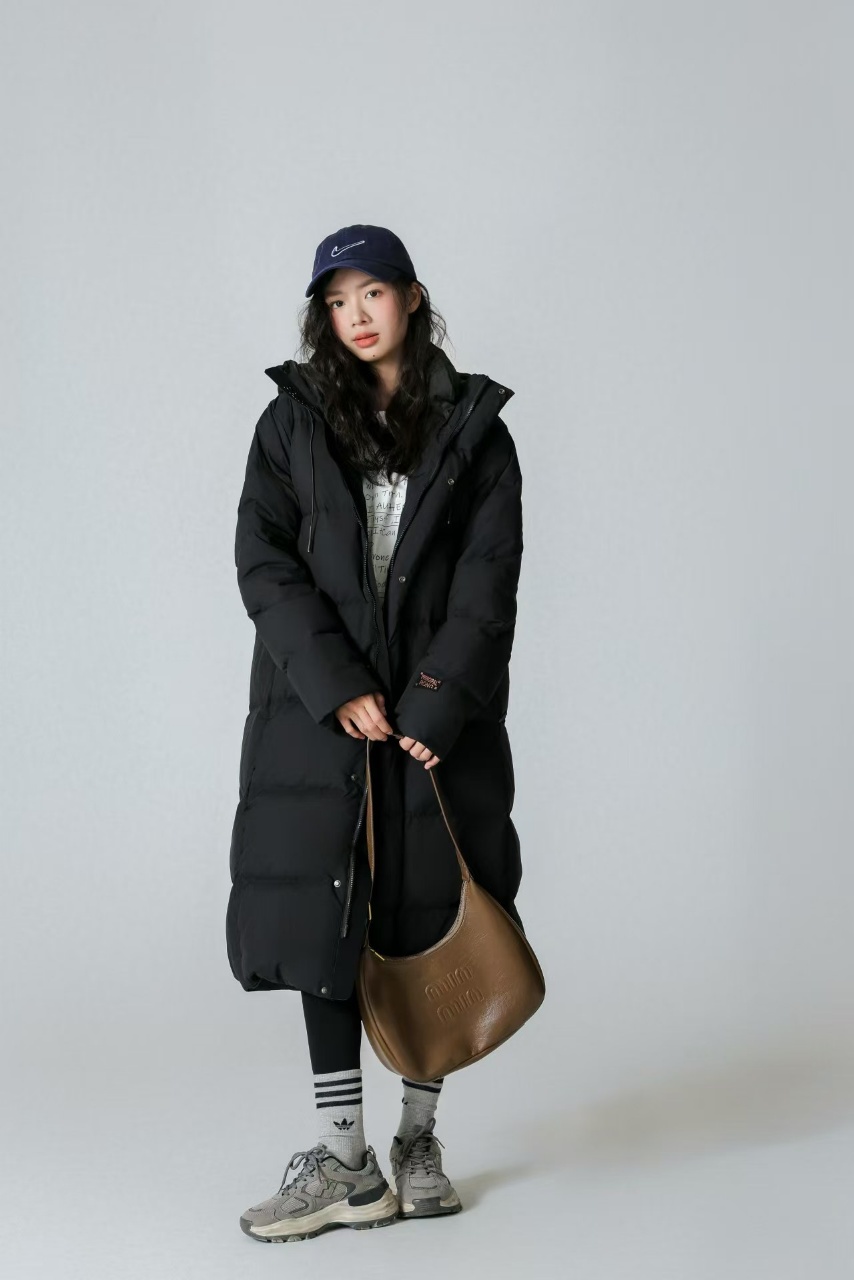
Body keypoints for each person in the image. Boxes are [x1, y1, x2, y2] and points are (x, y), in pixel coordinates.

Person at [228, 224, 525, 1243]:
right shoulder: (289, 424)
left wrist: (436, 701)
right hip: (320, 720)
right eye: (337, 299)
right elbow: (263, 561)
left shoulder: (477, 430)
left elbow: (489, 581)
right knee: (327, 921)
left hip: (433, 725)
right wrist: (337, 684)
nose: (355, 315)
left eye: (372, 293)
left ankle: (416, 1142)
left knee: (424, 915)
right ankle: (346, 1163)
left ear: (411, 297)